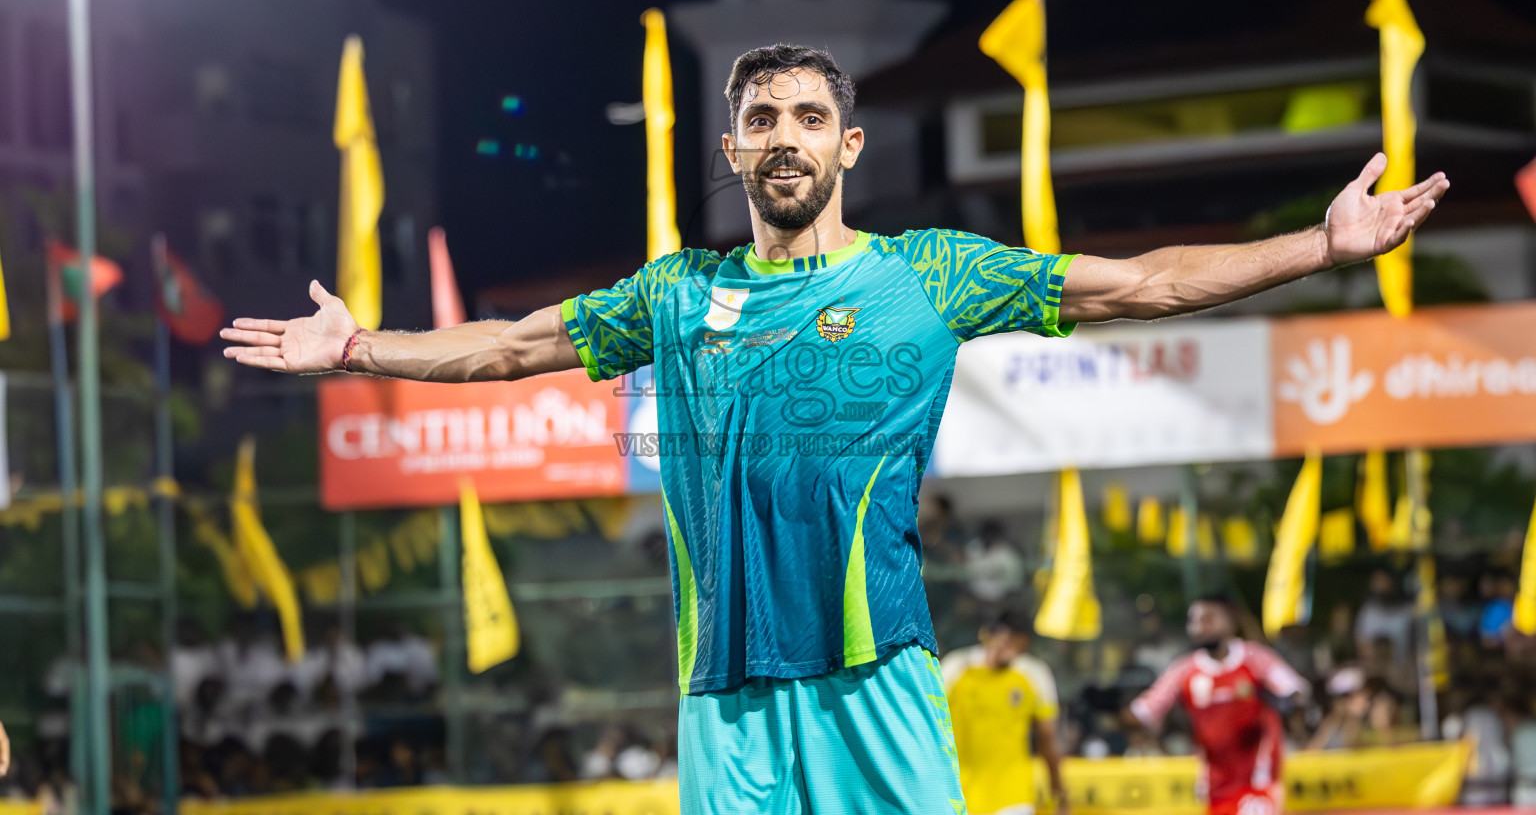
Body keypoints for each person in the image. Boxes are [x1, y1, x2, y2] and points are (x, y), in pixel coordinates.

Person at [222, 44, 1448, 814]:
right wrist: (361, 347)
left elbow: (1142, 282)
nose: (785, 138)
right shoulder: (675, 293)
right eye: (761, 119)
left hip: (875, 669)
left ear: (846, 144)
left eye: (808, 117)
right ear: (733, 146)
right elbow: (510, 344)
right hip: (725, 687)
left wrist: (1318, 248)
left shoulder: (931, 274)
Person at [1126, 596, 1309, 815]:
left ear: (1231, 620)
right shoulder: (1184, 669)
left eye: (1208, 619)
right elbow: (1144, 711)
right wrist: (1111, 707)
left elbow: (1296, 691)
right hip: (1214, 789)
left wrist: (1285, 702)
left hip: (1258, 783)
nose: (1199, 626)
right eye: (1194, 620)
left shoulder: (1255, 658)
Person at [943, 610, 1066, 815]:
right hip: (959, 793)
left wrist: (1058, 790)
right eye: (1003, 638)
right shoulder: (957, 667)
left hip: (1014, 796)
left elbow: (1047, 738)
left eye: (1016, 641)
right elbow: (929, 723)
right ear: (988, 636)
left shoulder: (1033, 672)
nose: (1008, 646)